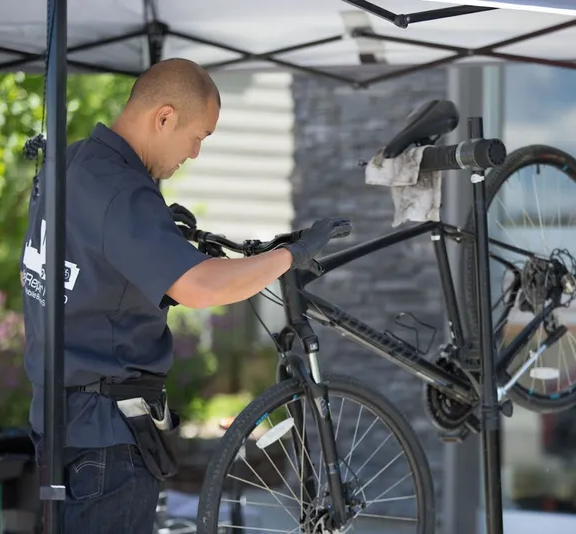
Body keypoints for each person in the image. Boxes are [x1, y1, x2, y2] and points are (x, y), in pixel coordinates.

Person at [20, 57, 350, 533]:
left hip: (57, 426)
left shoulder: (68, 166)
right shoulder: (125, 194)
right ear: (164, 117)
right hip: (105, 441)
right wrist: (289, 256)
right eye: (198, 136)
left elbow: (82, 276)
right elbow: (201, 286)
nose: (194, 153)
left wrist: (160, 243)